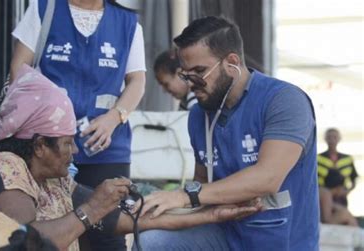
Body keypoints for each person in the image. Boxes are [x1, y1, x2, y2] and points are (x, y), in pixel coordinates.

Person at [0, 65, 261, 251]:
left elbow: (122, 219)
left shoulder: (55, 181)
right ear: (38, 146)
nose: (74, 151)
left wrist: (208, 216)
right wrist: (91, 209)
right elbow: (24, 242)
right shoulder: (6, 167)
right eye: (66, 143)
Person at [136, 16, 320, 250]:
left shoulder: (284, 100)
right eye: (185, 74)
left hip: (281, 240)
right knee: (151, 242)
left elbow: (268, 179)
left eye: (199, 72)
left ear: (231, 62)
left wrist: (184, 196)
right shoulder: (199, 115)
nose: (191, 82)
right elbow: (202, 182)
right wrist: (157, 206)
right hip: (225, 235)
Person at [9, 0, 146, 249]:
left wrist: (114, 117)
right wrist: (51, 116)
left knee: (108, 232)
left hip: (105, 147)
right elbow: (19, 69)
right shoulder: (45, 8)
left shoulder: (128, 21)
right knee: (48, 224)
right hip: (48, 147)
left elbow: (137, 80)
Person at [318, 128, 358, 206]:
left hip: (341, 197)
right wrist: (328, 192)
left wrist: (346, 192)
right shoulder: (318, 159)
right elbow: (313, 181)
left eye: (335, 137)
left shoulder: (347, 159)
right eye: (329, 137)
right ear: (325, 139)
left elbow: (354, 179)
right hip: (324, 198)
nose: (332, 140)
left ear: (339, 139)